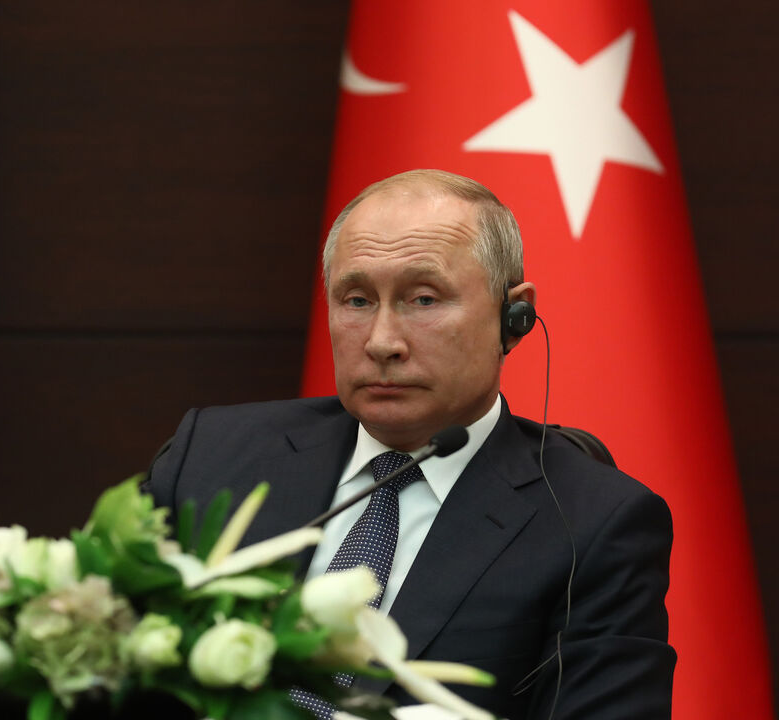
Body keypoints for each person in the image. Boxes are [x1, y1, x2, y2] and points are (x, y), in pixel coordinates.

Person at [144, 169, 675, 719]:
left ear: (512, 319)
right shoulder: (211, 456)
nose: (381, 342)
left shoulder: (596, 526)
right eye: (355, 300)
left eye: (423, 299)